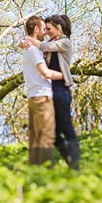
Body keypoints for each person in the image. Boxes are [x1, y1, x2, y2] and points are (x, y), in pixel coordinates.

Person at [22, 14, 80, 170]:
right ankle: (67, 160)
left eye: (49, 29)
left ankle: (75, 165)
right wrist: (22, 42)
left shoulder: (65, 42)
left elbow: (43, 47)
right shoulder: (47, 44)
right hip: (49, 92)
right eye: (44, 29)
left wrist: (29, 40)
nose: (46, 32)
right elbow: (37, 46)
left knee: (65, 126)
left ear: (58, 28)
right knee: (52, 131)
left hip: (61, 90)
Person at [21, 15, 64, 166]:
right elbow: (45, 73)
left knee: (35, 137)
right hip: (42, 98)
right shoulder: (33, 51)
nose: (45, 32)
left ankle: (35, 171)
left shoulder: (30, 49)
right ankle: (46, 172)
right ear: (37, 29)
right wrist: (65, 76)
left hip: (33, 98)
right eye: (43, 29)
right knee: (46, 135)